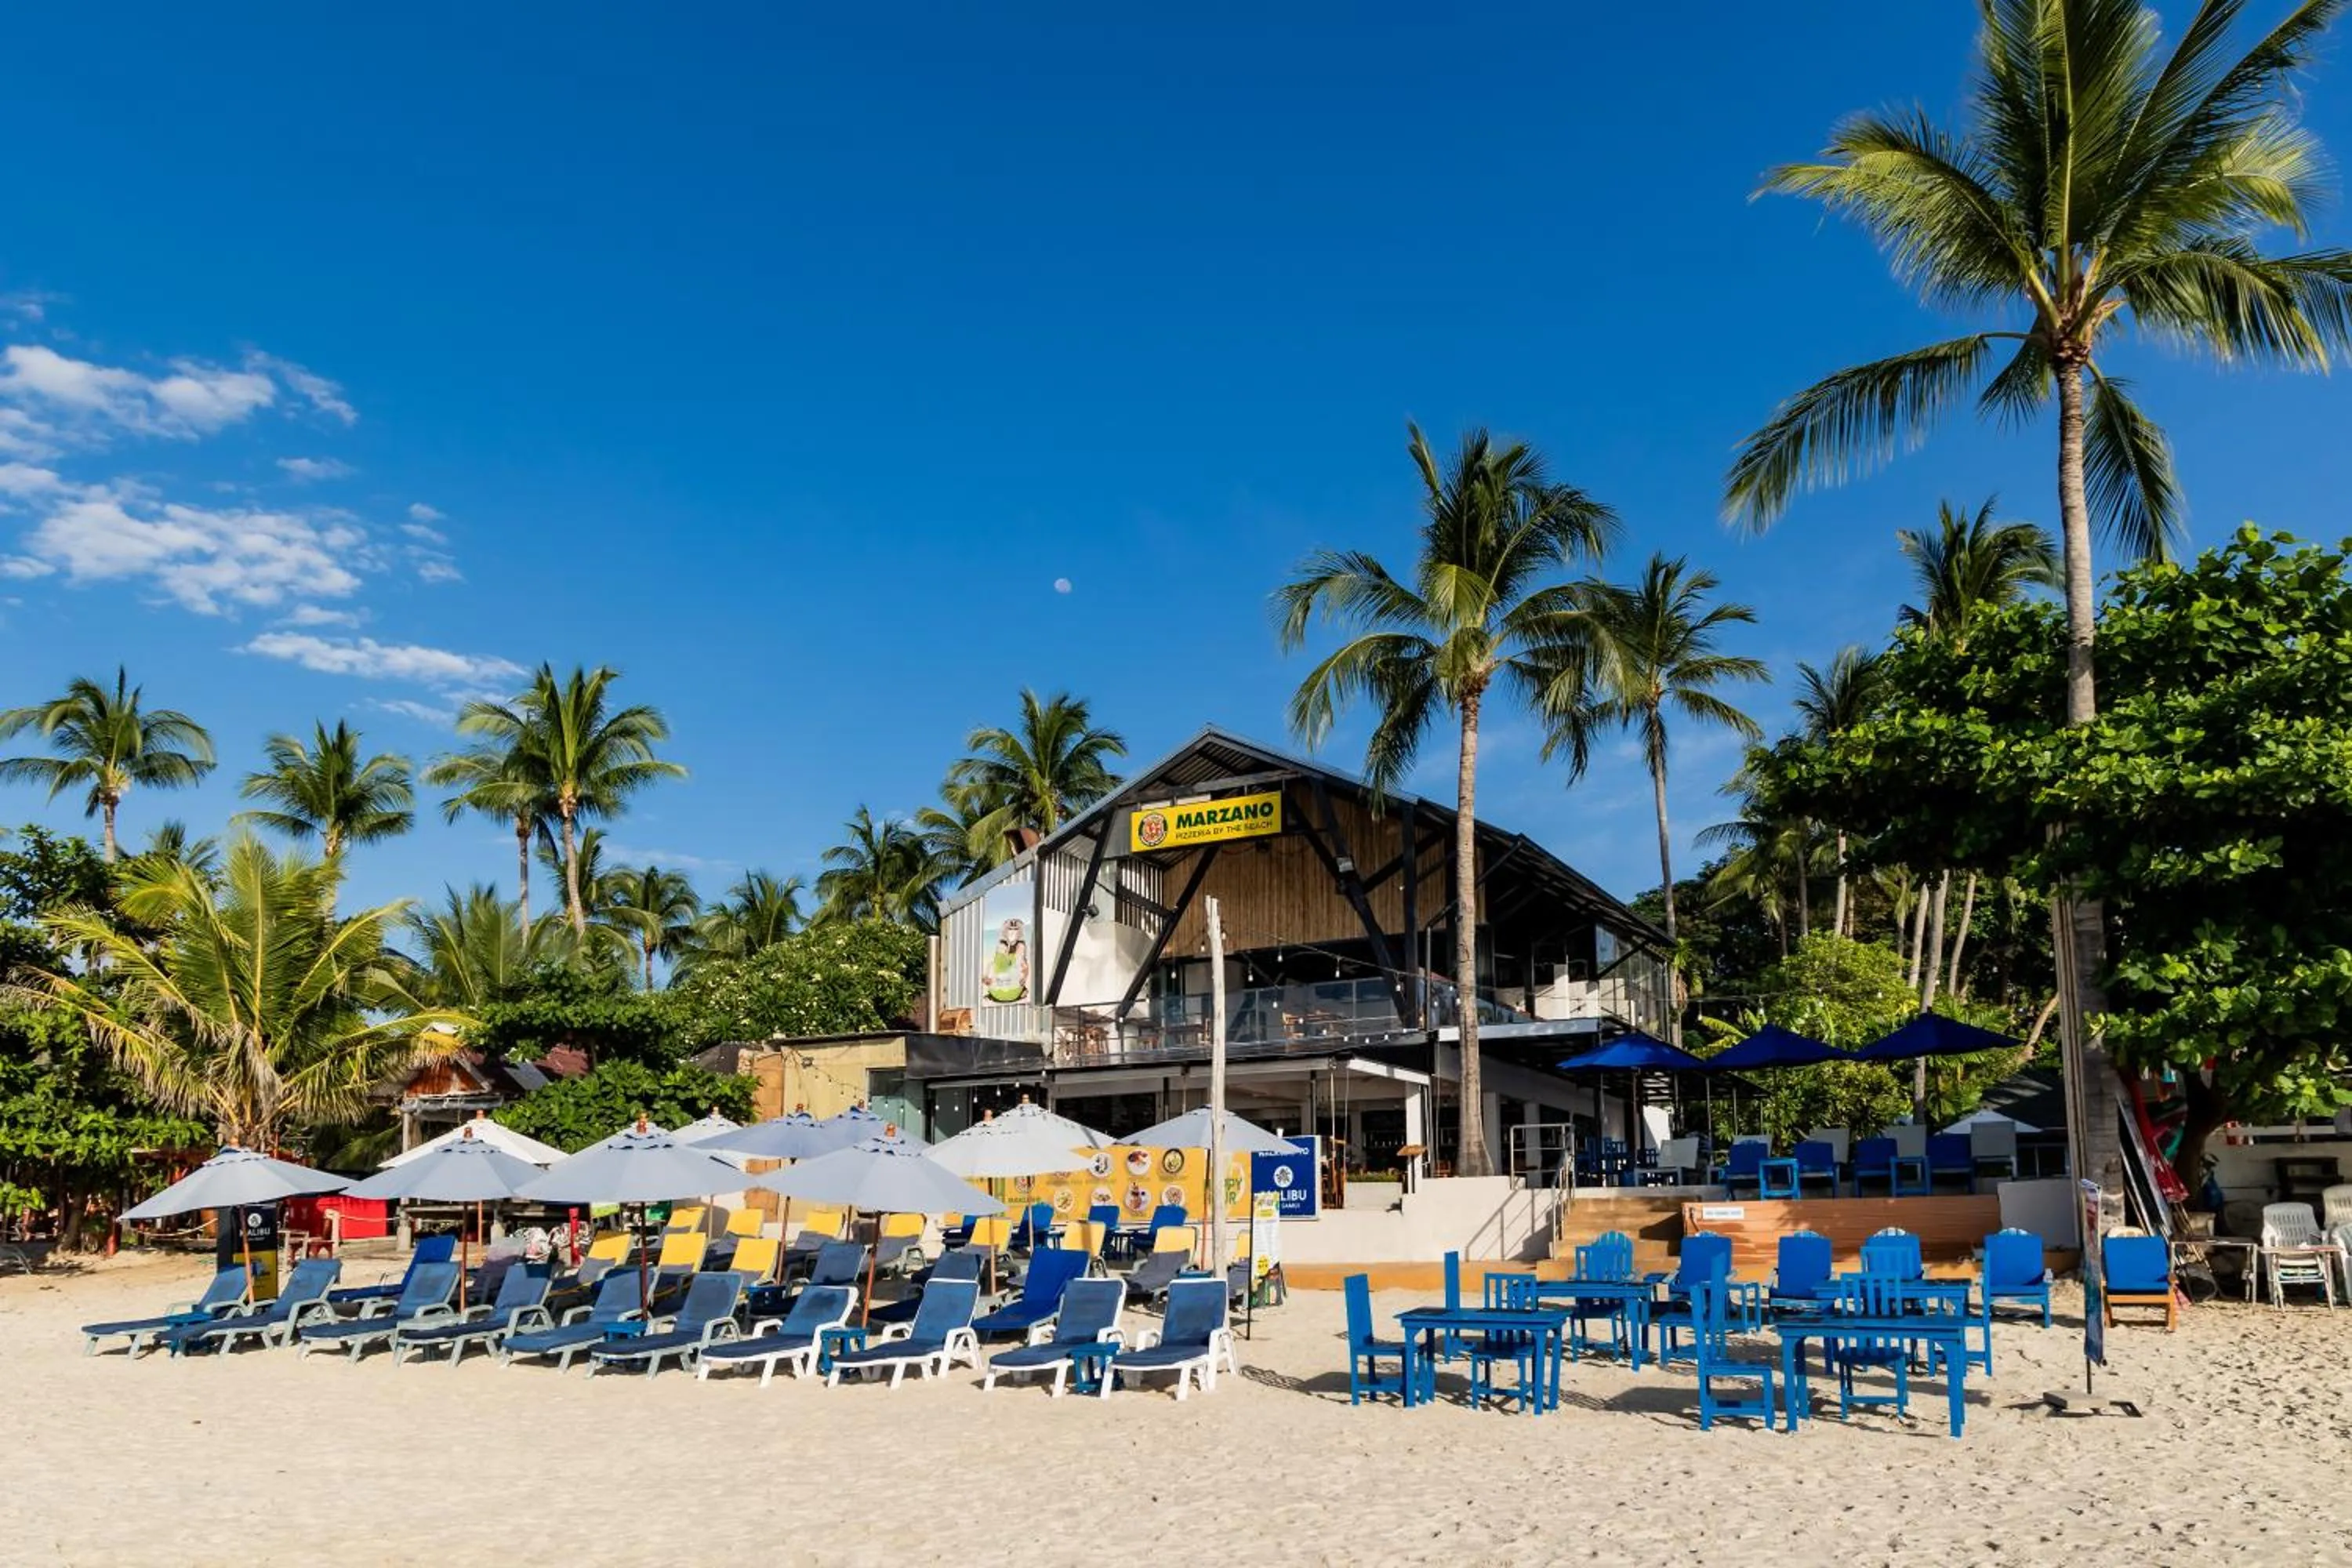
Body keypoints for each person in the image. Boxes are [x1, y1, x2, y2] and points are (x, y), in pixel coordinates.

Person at [983, 916, 1029, 1004]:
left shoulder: (1020, 946)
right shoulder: (1003, 946)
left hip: (1003, 991)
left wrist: (1024, 976)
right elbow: (1001, 965)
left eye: (1016, 929)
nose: (1013, 932)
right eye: (1010, 929)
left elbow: (1021, 965)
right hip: (1005, 990)